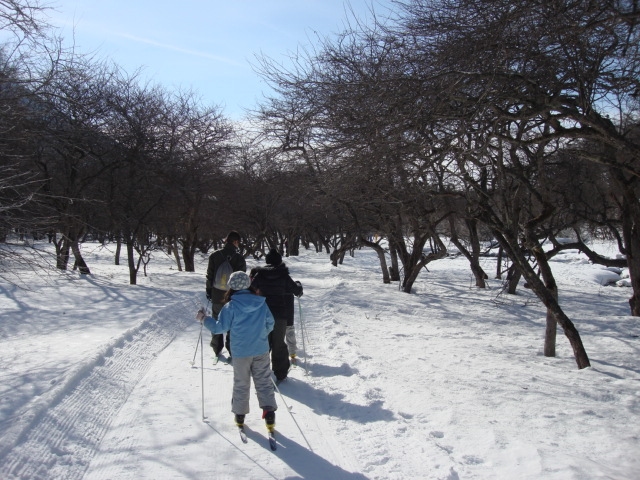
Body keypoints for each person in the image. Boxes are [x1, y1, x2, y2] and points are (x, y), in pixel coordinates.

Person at [196, 271, 277, 431]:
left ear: (231, 287)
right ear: (248, 284)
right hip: (261, 349)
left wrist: (204, 319)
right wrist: (260, 335)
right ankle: (269, 414)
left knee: (241, 383)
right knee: (264, 382)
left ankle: (240, 416)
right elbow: (270, 323)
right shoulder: (261, 303)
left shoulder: (231, 306)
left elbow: (220, 328)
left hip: (241, 352)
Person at [251, 248, 303, 382]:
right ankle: (280, 373)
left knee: (263, 343)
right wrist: (298, 286)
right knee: (278, 343)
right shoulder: (283, 275)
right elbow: (296, 290)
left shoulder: (260, 275)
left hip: (262, 314)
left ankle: (260, 370)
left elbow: (251, 288)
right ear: (279, 261)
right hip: (280, 314)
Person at [205, 231, 246, 361]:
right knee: (233, 323)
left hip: (217, 294)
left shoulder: (215, 255)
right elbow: (242, 279)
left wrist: (209, 291)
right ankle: (231, 350)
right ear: (235, 242)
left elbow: (209, 276)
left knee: (217, 320)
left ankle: (216, 349)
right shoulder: (239, 258)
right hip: (233, 296)